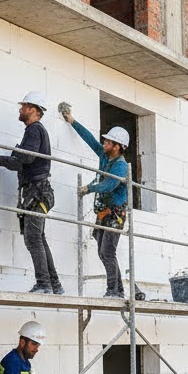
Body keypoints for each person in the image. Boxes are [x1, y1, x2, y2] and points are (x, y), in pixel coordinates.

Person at [0, 91, 62, 294]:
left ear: (32, 110)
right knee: (38, 238)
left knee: (33, 239)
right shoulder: (36, 131)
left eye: (24, 106)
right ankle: (54, 284)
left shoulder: (34, 130)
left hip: (37, 191)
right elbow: (23, 160)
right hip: (38, 191)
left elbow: (24, 160)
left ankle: (44, 284)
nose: (20, 109)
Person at [62, 108, 130, 299]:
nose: (104, 143)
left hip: (115, 213)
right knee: (103, 252)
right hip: (103, 212)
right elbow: (90, 139)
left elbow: (109, 185)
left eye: (108, 141)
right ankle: (118, 290)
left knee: (108, 251)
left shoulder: (121, 165)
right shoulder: (104, 156)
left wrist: (89, 188)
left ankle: (113, 291)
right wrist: (72, 120)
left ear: (117, 146)